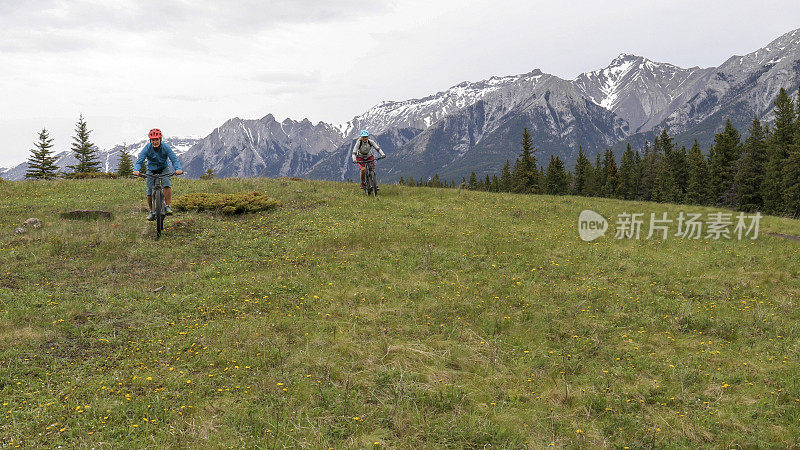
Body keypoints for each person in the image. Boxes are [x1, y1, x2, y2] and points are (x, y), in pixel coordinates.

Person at [133, 129, 183, 220]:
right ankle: (151, 211)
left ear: (160, 139)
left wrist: (178, 169)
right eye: (153, 140)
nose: (155, 142)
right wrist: (136, 170)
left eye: (157, 139)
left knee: (166, 184)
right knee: (149, 190)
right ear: (150, 141)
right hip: (151, 169)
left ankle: (168, 206)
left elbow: (174, 159)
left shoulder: (165, 147)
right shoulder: (147, 148)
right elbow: (140, 160)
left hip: (164, 168)